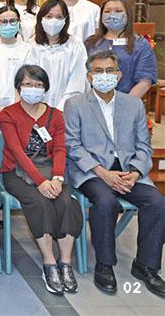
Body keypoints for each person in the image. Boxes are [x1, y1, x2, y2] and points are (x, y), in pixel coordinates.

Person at [64, 50, 165, 297]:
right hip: (92, 171)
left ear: (119, 75)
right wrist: (103, 173)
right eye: (98, 71)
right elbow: (72, 145)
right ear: (89, 77)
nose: (104, 75)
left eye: (109, 70)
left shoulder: (133, 104)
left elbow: (144, 146)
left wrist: (135, 172)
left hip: (129, 171)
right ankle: (105, 264)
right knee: (106, 202)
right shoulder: (75, 104)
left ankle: (146, 265)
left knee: (157, 203)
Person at [0, 65, 82, 296]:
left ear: (45, 88)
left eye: (38, 85)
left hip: (50, 171)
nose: (33, 89)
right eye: (27, 84)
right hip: (16, 172)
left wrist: (57, 178)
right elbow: (17, 152)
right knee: (40, 202)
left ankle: (65, 262)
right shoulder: (8, 114)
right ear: (18, 87)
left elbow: (60, 149)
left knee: (67, 203)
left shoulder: (55, 115)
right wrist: (40, 183)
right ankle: (49, 263)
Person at [85, 0, 156, 99]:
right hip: (92, 102)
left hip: (127, 101)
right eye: (107, 11)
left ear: (128, 15)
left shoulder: (140, 44)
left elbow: (145, 80)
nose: (112, 15)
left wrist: (124, 104)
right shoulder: (90, 43)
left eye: (118, 11)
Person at [27, 0, 87, 110]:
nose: (53, 21)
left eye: (59, 17)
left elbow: (77, 80)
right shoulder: (31, 45)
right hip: (35, 108)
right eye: (49, 16)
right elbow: (28, 80)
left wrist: (61, 109)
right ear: (40, 19)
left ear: (65, 20)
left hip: (67, 109)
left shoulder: (75, 45)